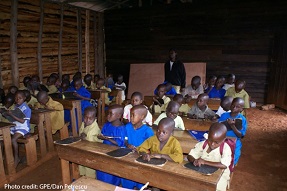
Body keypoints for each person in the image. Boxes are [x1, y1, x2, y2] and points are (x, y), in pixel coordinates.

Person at [187, 123, 232, 191]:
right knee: (191, 183)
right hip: (203, 171)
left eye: (216, 142)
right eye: (210, 140)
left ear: (223, 140)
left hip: (220, 175)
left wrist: (204, 162)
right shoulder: (203, 144)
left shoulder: (225, 148)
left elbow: (224, 165)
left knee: (217, 188)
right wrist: (194, 160)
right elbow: (190, 155)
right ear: (208, 136)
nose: (212, 144)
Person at [121, 105, 154, 189]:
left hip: (141, 158)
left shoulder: (147, 131)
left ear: (142, 117)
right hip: (128, 156)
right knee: (127, 177)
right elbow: (125, 139)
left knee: (141, 180)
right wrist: (127, 144)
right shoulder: (127, 127)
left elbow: (152, 147)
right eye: (130, 115)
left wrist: (143, 151)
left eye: (133, 115)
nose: (131, 117)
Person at [97, 104, 126, 185]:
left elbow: (120, 143)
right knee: (101, 168)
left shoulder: (121, 128)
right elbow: (103, 134)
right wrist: (101, 137)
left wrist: (108, 139)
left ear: (118, 115)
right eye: (108, 113)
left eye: (111, 114)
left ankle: (111, 185)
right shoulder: (107, 125)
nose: (108, 116)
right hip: (104, 150)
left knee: (111, 173)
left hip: (115, 153)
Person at [218, 98, 247, 165]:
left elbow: (241, 135)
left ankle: (230, 167)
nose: (234, 108)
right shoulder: (224, 115)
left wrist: (232, 126)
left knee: (234, 156)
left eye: (238, 107)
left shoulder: (242, 119)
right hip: (223, 139)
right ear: (230, 105)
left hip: (235, 141)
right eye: (233, 105)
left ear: (241, 109)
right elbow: (219, 128)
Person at [8, 90, 31, 167]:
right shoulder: (16, 106)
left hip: (23, 127)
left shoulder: (26, 108)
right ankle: (7, 156)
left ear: (24, 98)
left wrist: (12, 115)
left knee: (13, 139)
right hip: (16, 126)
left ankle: (16, 158)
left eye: (20, 98)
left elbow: (22, 121)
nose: (17, 100)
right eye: (16, 98)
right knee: (4, 136)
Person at [78, 106, 102, 178]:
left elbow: (90, 142)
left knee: (89, 167)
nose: (87, 120)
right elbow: (80, 132)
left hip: (92, 151)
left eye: (90, 118)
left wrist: (83, 137)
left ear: (95, 119)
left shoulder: (94, 129)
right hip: (83, 148)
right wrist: (81, 135)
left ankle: (90, 180)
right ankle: (83, 176)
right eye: (85, 117)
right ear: (83, 116)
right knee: (82, 163)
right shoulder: (83, 123)